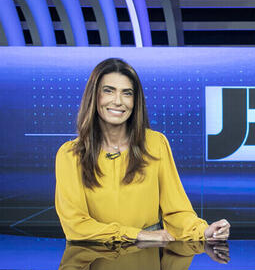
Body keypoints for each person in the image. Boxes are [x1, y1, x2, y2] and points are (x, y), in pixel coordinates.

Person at [55, 58, 230, 242]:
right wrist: (137, 234)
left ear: (135, 101)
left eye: (127, 93)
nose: (118, 101)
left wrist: (204, 231)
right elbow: (76, 226)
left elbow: (176, 212)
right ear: (94, 96)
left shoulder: (156, 144)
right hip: (94, 260)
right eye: (108, 91)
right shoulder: (70, 155)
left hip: (147, 259)